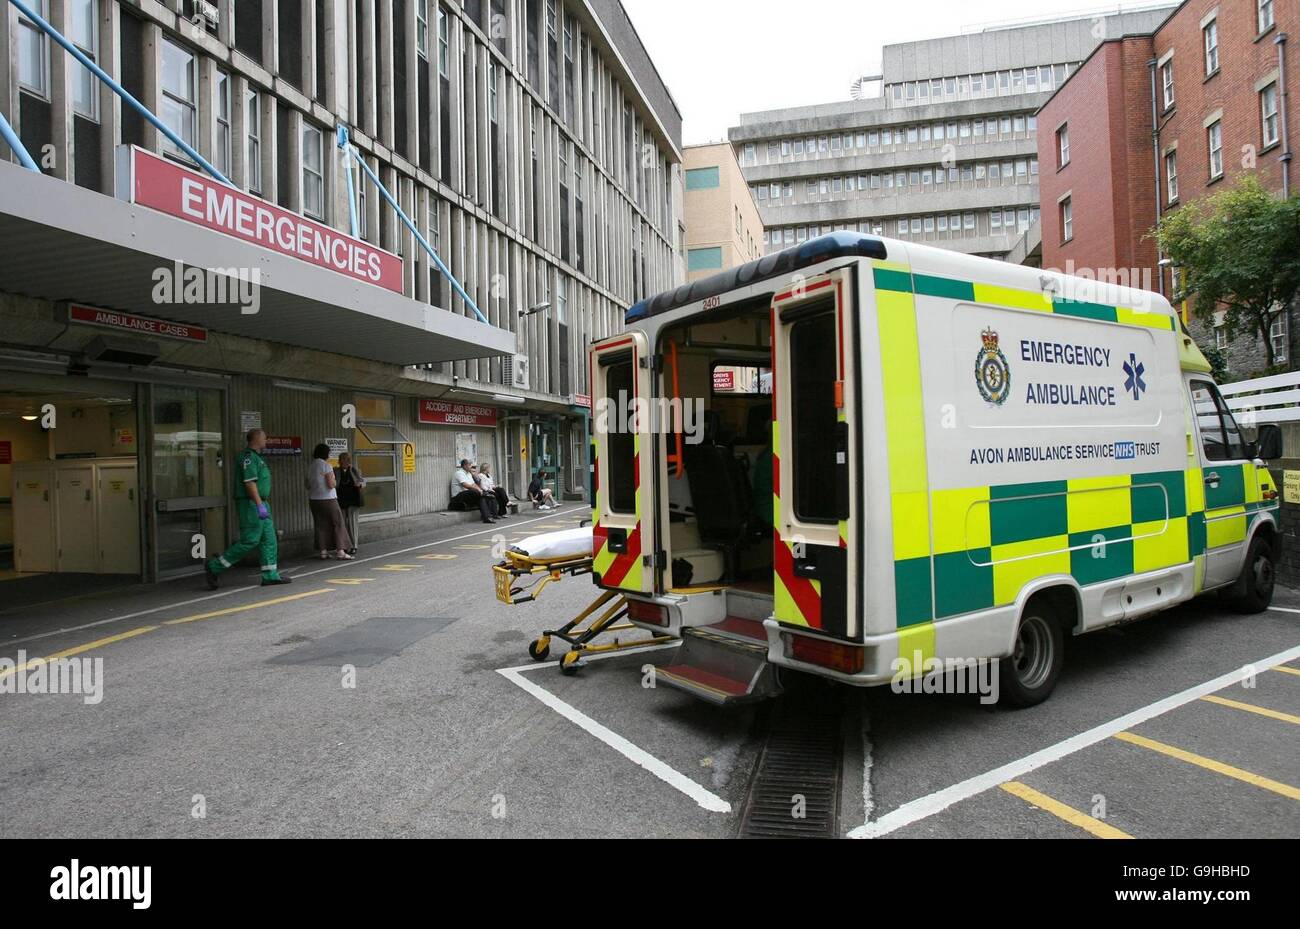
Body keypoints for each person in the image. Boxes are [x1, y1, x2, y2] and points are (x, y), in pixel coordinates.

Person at [204, 428, 292, 588]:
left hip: (260, 503)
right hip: (251, 504)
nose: (266, 440)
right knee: (250, 540)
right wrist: (259, 505)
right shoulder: (249, 458)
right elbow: (250, 483)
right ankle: (214, 566)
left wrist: (262, 504)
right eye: (264, 437)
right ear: (256, 439)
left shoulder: (257, 458)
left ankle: (270, 575)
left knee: (269, 540)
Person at [306, 443, 352, 560]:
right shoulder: (326, 466)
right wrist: (335, 481)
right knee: (338, 523)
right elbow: (331, 484)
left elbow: (307, 485)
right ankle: (341, 551)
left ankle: (323, 551)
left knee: (320, 525)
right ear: (326, 454)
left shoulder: (311, 466)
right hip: (328, 499)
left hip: (314, 500)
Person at [334, 452, 365, 555]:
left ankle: (354, 546)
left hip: (353, 500)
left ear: (348, 461)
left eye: (343, 460)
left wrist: (359, 484)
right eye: (340, 459)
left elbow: (363, 482)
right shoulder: (336, 471)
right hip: (341, 500)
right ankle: (345, 546)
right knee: (342, 524)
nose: (341, 462)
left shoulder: (355, 470)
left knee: (352, 524)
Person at [451, 458, 496, 523]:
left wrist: (480, 490)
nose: (471, 466)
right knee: (475, 492)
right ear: (464, 466)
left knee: (481, 497)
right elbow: (465, 485)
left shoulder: (468, 474)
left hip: (468, 494)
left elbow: (474, 484)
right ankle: (485, 495)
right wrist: (478, 490)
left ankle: (487, 517)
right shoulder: (459, 473)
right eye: (469, 465)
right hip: (458, 496)